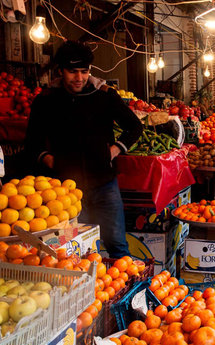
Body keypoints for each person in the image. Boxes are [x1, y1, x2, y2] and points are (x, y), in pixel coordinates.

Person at [24, 41, 142, 258]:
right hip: (65, 192)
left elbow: (135, 126)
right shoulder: (46, 101)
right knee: (73, 248)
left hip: (105, 184)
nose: (79, 78)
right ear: (60, 71)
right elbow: (32, 141)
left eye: (84, 71)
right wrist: (50, 160)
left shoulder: (104, 96)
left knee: (117, 244)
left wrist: (115, 150)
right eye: (72, 71)